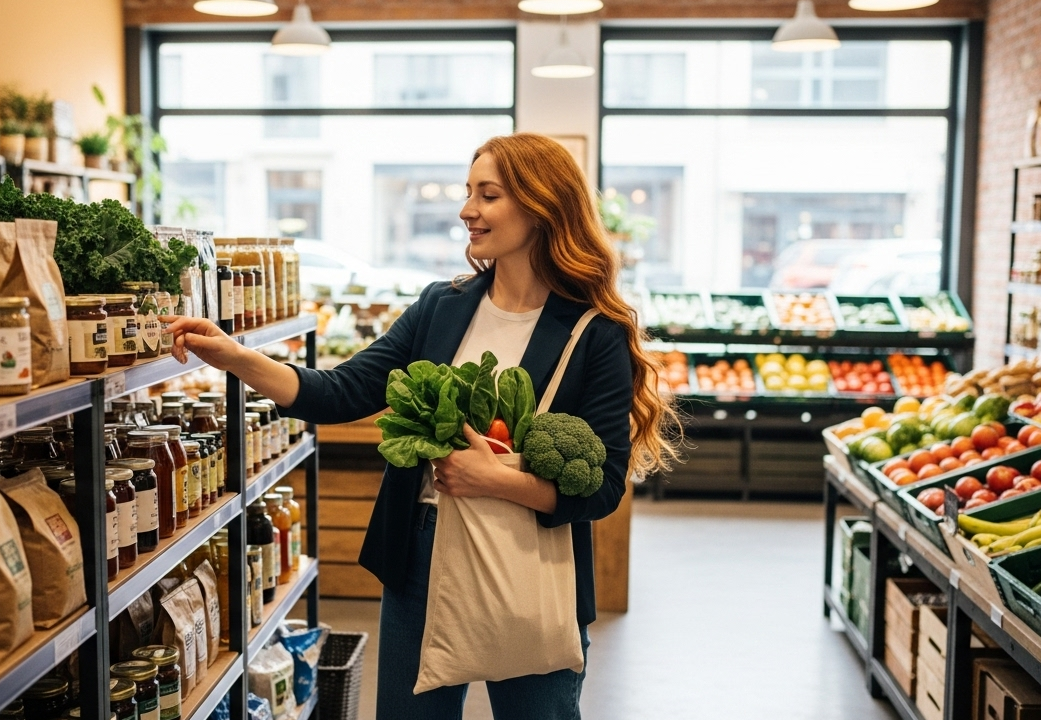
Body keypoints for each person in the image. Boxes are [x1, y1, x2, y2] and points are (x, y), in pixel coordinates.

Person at [167, 132, 677, 719]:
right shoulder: (443, 305)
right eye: (468, 193)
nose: (467, 211)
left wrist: (494, 480)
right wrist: (236, 357)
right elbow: (343, 390)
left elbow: (605, 485)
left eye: (488, 195)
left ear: (540, 208)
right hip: (421, 554)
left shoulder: (595, 333)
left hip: (531, 562)